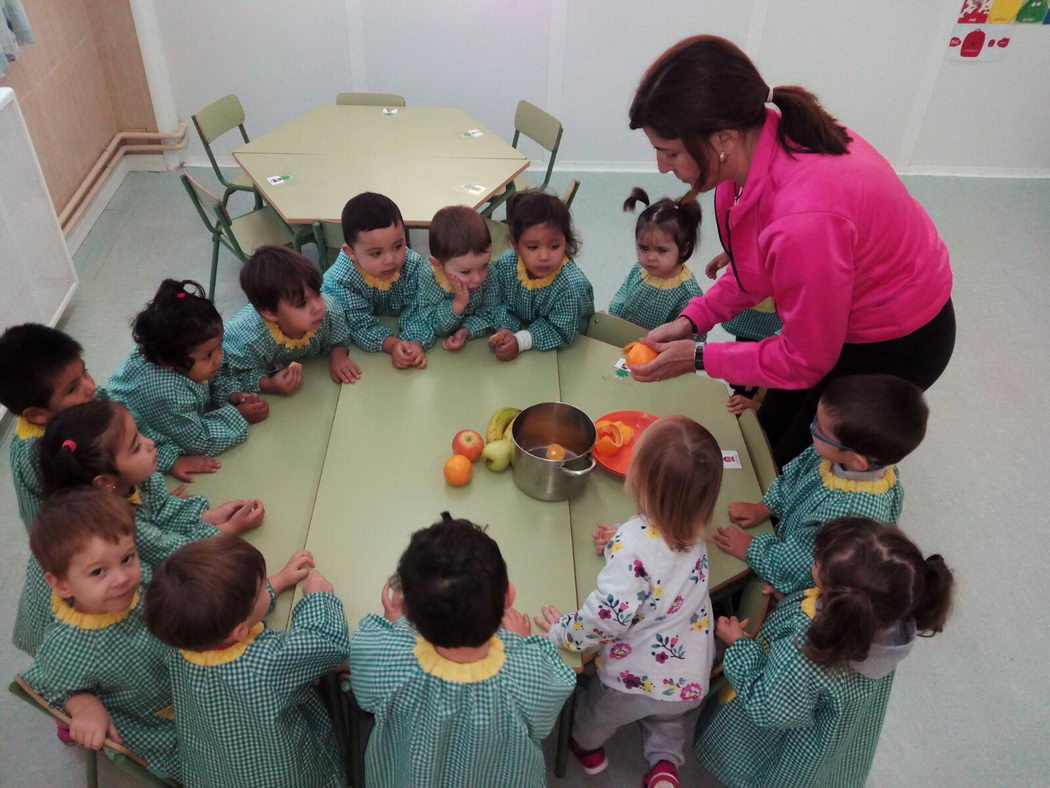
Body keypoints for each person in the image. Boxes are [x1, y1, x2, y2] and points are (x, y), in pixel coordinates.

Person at [627, 35, 954, 468]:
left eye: (669, 152)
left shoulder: (805, 216)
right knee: (768, 436)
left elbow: (804, 359)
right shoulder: (744, 159)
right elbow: (754, 270)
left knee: (796, 466)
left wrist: (701, 356)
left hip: (898, 340)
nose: (662, 168)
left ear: (721, 137)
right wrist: (694, 319)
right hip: (833, 322)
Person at [695, 517, 954, 787]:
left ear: (840, 600)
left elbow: (767, 705)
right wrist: (792, 603)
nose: (812, 561)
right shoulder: (884, 621)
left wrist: (739, 645)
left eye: (818, 562)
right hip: (829, 728)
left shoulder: (810, 653)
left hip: (776, 737)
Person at [536, 417, 723, 788]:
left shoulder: (635, 541)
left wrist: (564, 632)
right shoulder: (696, 537)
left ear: (637, 476)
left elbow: (605, 619)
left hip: (632, 680)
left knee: (595, 715)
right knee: (668, 720)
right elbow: (662, 571)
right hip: (689, 679)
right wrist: (618, 542)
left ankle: (586, 749)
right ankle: (665, 766)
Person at [350, 513, 576, 787]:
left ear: (408, 607)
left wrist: (395, 622)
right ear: (509, 597)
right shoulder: (526, 669)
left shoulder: (387, 655)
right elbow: (544, 719)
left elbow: (362, 691)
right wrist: (522, 641)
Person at [144, 536, 347, 788]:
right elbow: (327, 642)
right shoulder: (265, 662)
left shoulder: (178, 642)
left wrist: (278, 581)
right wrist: (318, 598)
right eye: (262, 588)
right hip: (288, 776)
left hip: (217, 773)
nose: (266, 588)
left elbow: (233, 612)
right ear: (239, 631)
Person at [713, 374, 927, 595]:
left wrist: (751, 548)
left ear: (857, 461)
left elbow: (802, 565)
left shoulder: (850, 512)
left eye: (820, 430)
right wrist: (764, 507)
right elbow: (793, 477)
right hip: (788, 541)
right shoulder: (838, 456)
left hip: (807, 580)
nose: (811, 428)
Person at [22, 488, 180, 782]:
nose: (122, 578)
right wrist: (83, 705)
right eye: (98, 572)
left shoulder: (138, 578)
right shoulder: (69, 643)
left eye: (127, 558)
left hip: (175, 675)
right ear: (62, 584)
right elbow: (56, 688)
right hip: (146, 716)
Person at [0, 324, 215, 531]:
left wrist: (168, 463)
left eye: (85, 371)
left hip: (129, 503)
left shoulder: (93, 399)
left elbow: (134, 429)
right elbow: (52, 523)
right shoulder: (33, 455)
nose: (90, 387)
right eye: (72, 388)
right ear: (37, 414)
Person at [107, 279, 268, 457]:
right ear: (170, 362)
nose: (219, 358)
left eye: (219, 346)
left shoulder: (180, 355)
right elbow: (198, 441)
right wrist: (239, 416)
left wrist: (230, 395)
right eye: (209, 355)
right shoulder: (170, 393)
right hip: (127, 440)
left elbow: (211, 379)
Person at [221, 245, 360, 391]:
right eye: (302, 304)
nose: (319, 307)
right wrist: (268, 384)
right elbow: (228, 378)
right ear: (270, 313)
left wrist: (338, 354)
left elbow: (338, 333)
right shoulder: (246, 339)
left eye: (317, 293)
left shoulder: (330, 309)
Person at [320, 192, 428, 369]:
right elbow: (357, 323)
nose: (390, 260)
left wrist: (415, 342)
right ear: (351, 252)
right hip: (364, 358)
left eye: (398, 246)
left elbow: (420, 306)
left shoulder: (412, 264)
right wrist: (392, 344)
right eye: (377, 253)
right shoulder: (340, 281)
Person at [488, 190, 594, 361]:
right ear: (515, 244)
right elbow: (499, 300)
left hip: (564, 350)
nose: (544, 256)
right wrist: (505, 328)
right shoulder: (508, 264)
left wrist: (521, 341)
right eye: (532, 247)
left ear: (565, 241)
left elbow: (561, 330)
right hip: (526, 343)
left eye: (554, 246)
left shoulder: (571, 287)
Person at [399, 205, 500, 351]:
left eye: (484, 265)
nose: (478, 278)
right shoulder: (429, 275)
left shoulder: (490, 272)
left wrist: (466, 331)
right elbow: (431, 323)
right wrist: (458, 304)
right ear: (438, 264)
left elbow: (491, 311)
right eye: (465, 272)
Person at [608, 187, 703, 331]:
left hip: (658, 350)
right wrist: (613, 317)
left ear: (683, 249)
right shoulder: (639, 269)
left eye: (661, 250)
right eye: (644, 248)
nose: (650, 257)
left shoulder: (688, 292)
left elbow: (691, 332)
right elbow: (623, 294)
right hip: (623, 337)